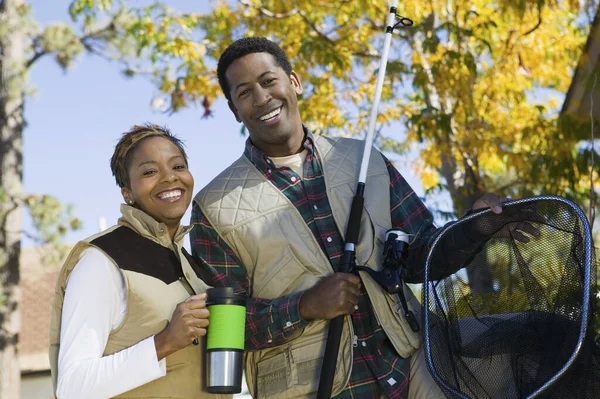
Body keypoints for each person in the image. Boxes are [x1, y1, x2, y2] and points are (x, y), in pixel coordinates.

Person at [189, 37, 510, 399]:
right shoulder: (214, 206)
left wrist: (475, 227)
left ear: (293, 82)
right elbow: (223, 329)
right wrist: (304, 306)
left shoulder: (364, 159)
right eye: (244, 92)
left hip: (409, 365)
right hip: (316, 387)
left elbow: (421, 257)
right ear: (234, 109)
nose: (262, 98)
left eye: (268, 81)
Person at [48, 124, 229, 399]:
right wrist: (164, 342)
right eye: (149, 171)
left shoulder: (197, 271)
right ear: (127, 193)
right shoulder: (101, 260)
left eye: (178, 166)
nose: (169, 178)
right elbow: (72, 387)